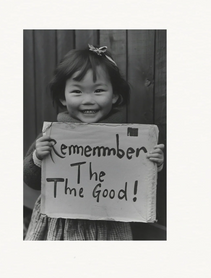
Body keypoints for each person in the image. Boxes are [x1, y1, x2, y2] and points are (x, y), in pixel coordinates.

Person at [24, 44, 164, 240]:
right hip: (62, 224)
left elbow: (136, 179)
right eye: (77, 92)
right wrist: (38, 157)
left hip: (109, 223)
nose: (88, 100)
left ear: (115, 95)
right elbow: (30, 179)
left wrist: (152, 163)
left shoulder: (127, 141)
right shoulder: (52, 136)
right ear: (63, 98)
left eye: (98, 90)